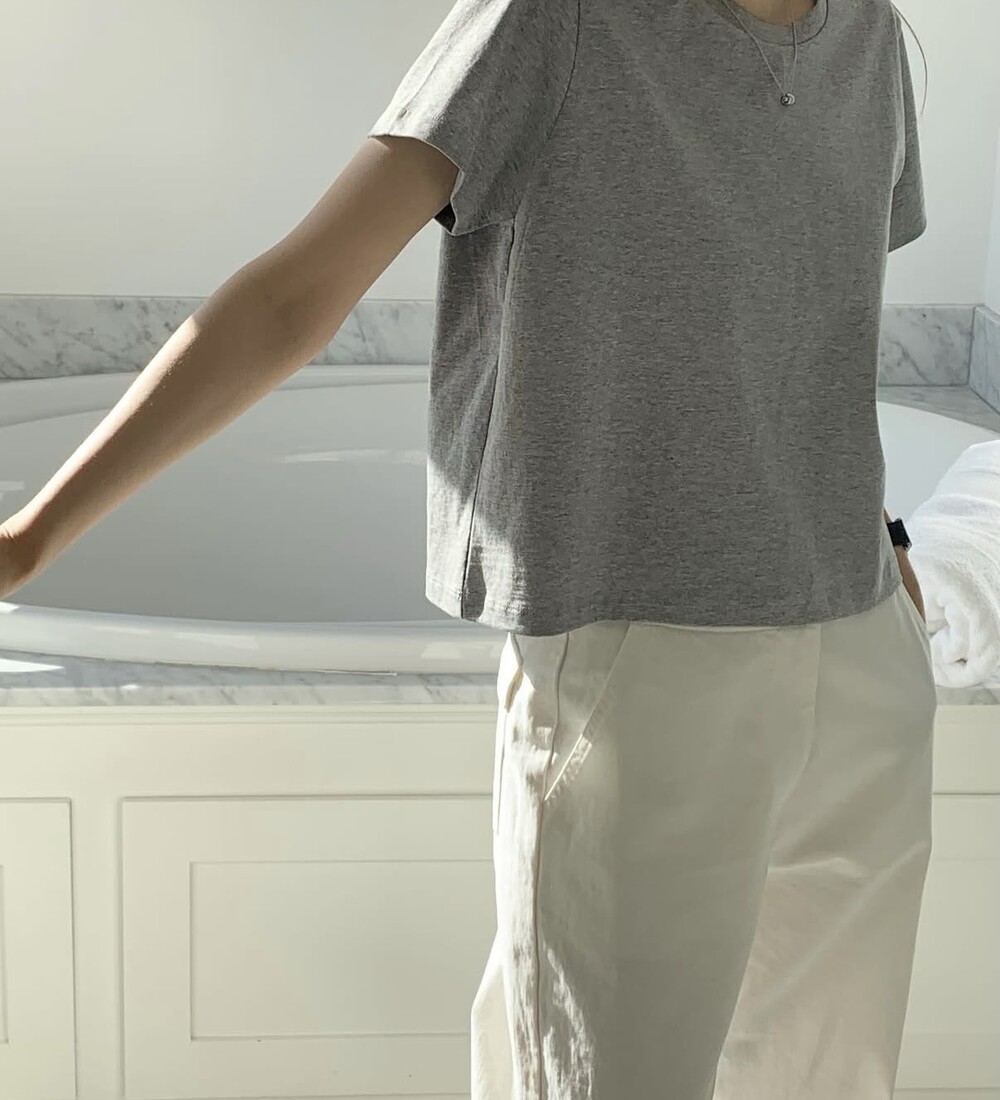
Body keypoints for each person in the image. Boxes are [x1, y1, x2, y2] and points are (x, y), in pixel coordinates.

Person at [0, 0, 937, 1095]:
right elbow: (297, 295)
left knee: (834, 1076)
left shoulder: (868, 32)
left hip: (860, 646)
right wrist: (26, 539)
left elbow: (800, 316)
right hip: (643, 653)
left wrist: (873, 531)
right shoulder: (557, 20)